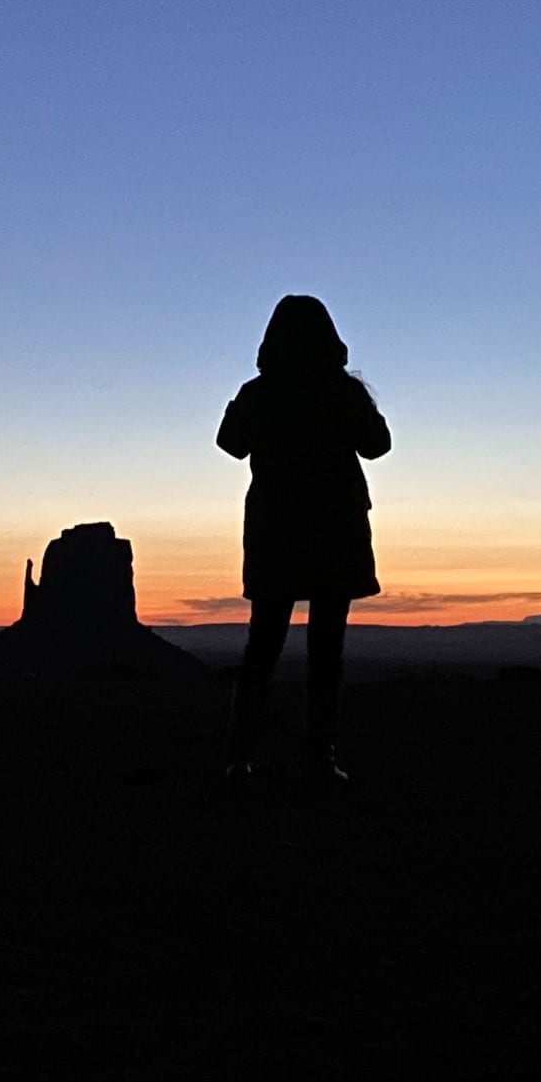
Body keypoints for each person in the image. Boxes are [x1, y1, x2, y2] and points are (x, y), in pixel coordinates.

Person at [216, 295, 391, 778]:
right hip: (334, 528)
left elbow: (229, 443)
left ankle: (240, 758)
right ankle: (320, 758)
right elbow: (379, 445)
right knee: (326, 648)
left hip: (277, 530)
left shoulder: (260, 392)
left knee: (263, 645)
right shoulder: (341, 391)